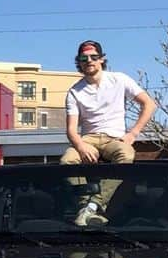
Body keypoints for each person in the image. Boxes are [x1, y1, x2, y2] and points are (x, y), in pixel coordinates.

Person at [62, 40, 157, 226]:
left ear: (101, 59)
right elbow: (71, 130)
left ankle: (94, 205)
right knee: (67, 160)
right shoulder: (74, 91)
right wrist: (81, 146)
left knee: (126, 154)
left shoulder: (119, 79)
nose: (89, 61)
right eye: (84, 58)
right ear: (79, 62)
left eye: (93, 57)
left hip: (114, 138)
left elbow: (149, 104)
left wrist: (132, 134)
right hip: (88, 139)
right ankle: (84, 206)